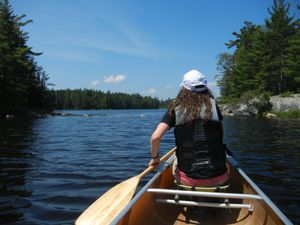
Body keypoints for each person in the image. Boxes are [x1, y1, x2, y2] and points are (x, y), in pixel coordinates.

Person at [148, 69, 229, 187]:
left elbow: (155, 137)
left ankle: (188, 199)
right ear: (205, 88)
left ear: (184, 89)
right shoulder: (213, 106)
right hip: (219, 177)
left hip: (188, 180)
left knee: (175, 158)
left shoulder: (175, 108)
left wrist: (155, 158)